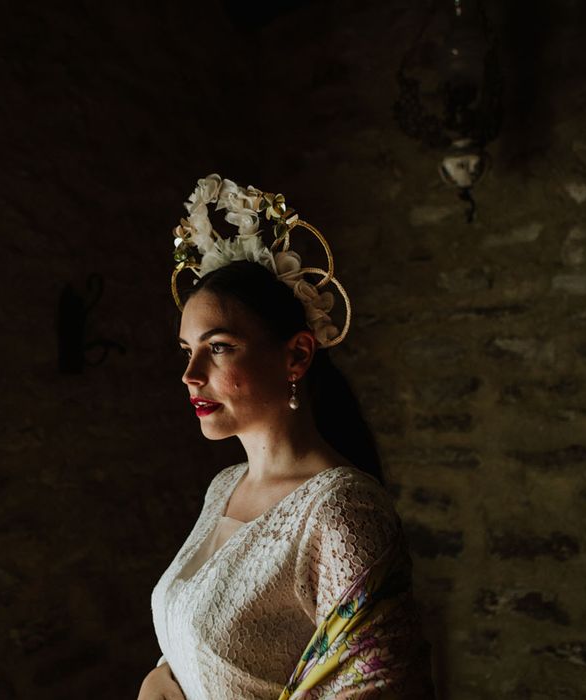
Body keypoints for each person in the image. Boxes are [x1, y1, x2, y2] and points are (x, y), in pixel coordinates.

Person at [138, 175, 434, 700]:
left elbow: (380, 688)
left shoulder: (341, 510)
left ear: (296, 355)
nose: (190, 374)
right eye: (187, 351)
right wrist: (158, 679)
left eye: (219, 348)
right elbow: (194, 639)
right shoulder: (224, 487)